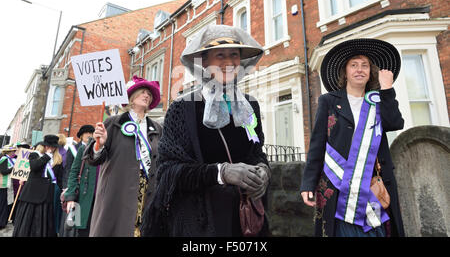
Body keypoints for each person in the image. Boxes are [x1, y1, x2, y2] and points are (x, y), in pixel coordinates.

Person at [141, 24, 271, 237]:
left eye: (234, 55)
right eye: (220, 55)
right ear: (204, 62)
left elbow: (256, 151)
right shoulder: (183, 108)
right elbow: (168, 172)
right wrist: (221, 173)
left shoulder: (249, 105)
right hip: (199, 223)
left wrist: (263, 170)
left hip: (245, 221)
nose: (228, 62)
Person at [300, 38, 405, 237]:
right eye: (354, 65)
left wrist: (387, 90)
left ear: (370, 72)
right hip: (338, 189)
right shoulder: (328, 101)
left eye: (365, 65)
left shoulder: (378, 100)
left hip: (372, 188)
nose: (359, 69)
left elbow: (395, 123)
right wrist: (307, 183)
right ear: (345, 71)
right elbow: (317, 145)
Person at [84, 76, 163, 237]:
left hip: (148, 189)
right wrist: (100, 144)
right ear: (131, 98)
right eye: (142, 92)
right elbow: (93, 158)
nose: (146, 95)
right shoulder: (114, 123)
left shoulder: (156, 128)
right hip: (118, 190)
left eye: (149, 93)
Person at [12, 135, 63, 237]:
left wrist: (62, 190)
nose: (51, 149)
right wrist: (47, 156)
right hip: (32, 194)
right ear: (44, 146)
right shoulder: (35, 155)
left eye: (53, 147)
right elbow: (34, 166)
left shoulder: (57, 158)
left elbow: (59, 177)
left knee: (43, 222)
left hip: (47, 194)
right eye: (49, 146)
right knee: (28, 222)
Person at [59, 125, 94, 236]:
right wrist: (67, 187)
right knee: (73, 218)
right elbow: (69, 169)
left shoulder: (94, 148)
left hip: (88, 189)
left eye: (90, 133)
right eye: (86, 133)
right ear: (81, 135)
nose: (89, 135)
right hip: (75, 187)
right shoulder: (74, 149)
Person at [63, 142, 97, 237]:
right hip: (84, 200)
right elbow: (74, 172)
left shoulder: (113, 150)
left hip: (104, 202)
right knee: (82, 232)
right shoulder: (85, 148)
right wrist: (70, 197)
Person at [0, 145, 17, 229]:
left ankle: (3, 221)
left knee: (4, 203)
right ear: (9, 152)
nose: (14, 152)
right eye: (13, 151)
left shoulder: (7, 159)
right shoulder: (5, 159)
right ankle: (1, 222)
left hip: (4, 185)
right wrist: (13, 168)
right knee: (2, 204)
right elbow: (3, 171)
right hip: (2, 185)